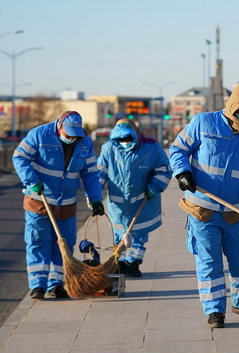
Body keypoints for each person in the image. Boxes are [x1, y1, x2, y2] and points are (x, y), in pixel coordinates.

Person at [169, 83, 239, 328]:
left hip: (235, 211)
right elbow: (178, 149)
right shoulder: (203, 123)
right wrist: (182, 172)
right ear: (233, 107)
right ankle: (214, 310)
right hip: (202, 209)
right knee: (209, 260)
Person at [12, 110, 105, 300]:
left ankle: (57, 284)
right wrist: (31, 181)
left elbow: (90, 173)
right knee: (38, 242)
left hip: (67, 203)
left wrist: (95, 198)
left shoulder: (85, 142)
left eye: (75, 134)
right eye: (68, 133)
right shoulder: (39, 135)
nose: (72, 138)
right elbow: (19, 157)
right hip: (39, 200)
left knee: (64, 245)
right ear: (60, 125)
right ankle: (37, 285)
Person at [97, 119, 172, 277]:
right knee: (119, 233)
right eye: (121, 140)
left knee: (139, 234)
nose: (125, 143)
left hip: (143, 201)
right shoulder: (108, 149)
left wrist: (154, 187)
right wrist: (94, 196)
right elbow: (99, 174)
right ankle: (120, 261)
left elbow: (164, 171)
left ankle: (134, 262)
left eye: (128, 140)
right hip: (118, 205)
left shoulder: (152, 149)